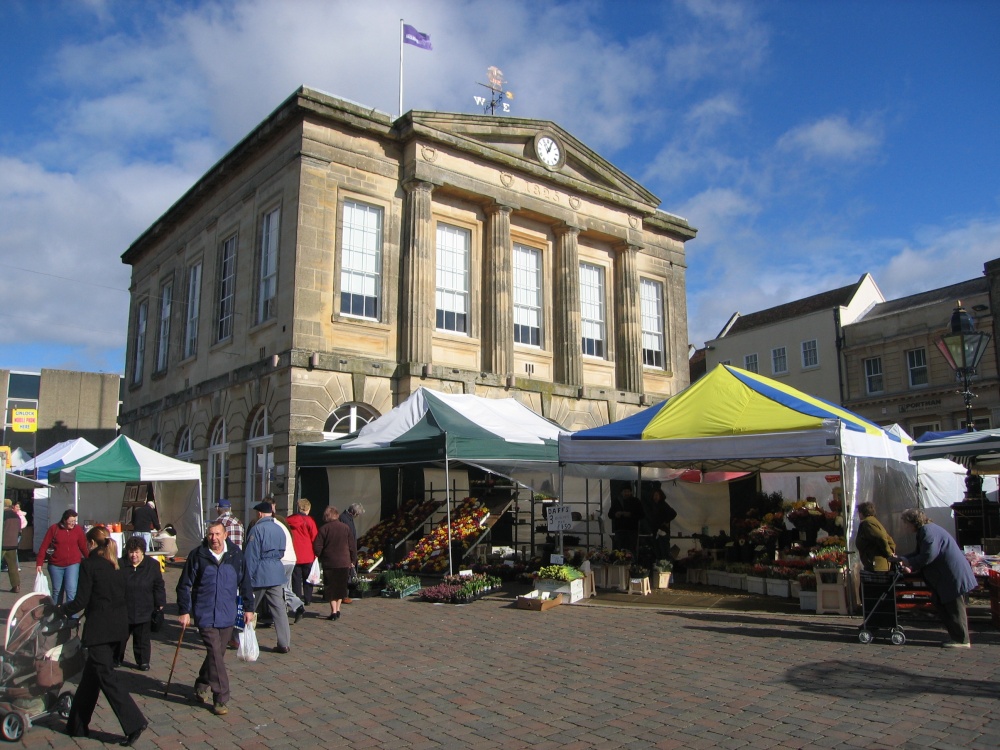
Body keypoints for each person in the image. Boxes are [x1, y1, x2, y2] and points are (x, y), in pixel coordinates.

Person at [62, 527, 147, 746]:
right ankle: (77, 725)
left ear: (91, 543)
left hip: (100, 630)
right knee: (91, 678)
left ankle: (134, 722)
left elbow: (80, 601)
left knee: (106, 677)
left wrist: (61, 609)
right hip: (117, 628)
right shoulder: (115, 564)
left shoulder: (89, 565)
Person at [176, 521, 254, 716]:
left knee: (216, 654)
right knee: (214, 652)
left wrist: (248, 607)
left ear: (225, 535)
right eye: (211, 534)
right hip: (205, 612)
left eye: (217, 534)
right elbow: (184, 585)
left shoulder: (235, 554)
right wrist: (184, 610)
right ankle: (221, 697)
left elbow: (245, 582)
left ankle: (201, 684)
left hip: (227, 613)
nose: (214, 538)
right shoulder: (198, 555)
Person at [893, 508, 978, 648]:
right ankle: (957, 637)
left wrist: (910, 564)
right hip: (946, 575)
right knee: (944, 604)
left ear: (912, 522)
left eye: (905, 523)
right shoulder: (925, 531)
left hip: (951, 575)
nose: (905, 526)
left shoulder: (928, 531)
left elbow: (929, 555)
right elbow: (919, 552)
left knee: (954, 606)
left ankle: (962, 639)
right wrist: (902, 558)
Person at [243, 501, 291, 653]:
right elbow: (283, 551)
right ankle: (284, 643)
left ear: (259, 513)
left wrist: (245, 578)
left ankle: (237, 637)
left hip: (260, 572)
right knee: (279, 609)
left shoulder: (257, 529)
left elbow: (251, 556)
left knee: (248, 606)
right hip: (276, 571)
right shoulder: (280, 529)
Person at [117, 537, 166, 671]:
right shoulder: (120, 565)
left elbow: (158, 585)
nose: (134, 555)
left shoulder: (152, 566)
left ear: (143, 552)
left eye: (137, 552)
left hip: (144, 608)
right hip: (124, 608)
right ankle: (117, 658)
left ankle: (143, 661)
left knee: (142, 638)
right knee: (120, 637)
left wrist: (160, 603)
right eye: (131, 552)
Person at [36, 509, 90, 605]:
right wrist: (39, 563)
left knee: (71, 590)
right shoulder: (54, 529)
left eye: (74, 521)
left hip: (73, 564)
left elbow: (83, 547)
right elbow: (44, 546)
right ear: (64, 520)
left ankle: (72, 616)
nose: (73, 523)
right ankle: (57, 614)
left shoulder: (77, 530)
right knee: (57, 591)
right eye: (71, 521)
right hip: (55, 565)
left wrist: (90, 559)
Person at [313, 506, 357, 621]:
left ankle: (333, 611)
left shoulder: (324, 529)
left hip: (330, 562)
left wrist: (322, 556)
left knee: (331, 587)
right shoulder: (345, 528)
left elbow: (317, 546)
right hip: (344, 562)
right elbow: (352, 546)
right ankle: (338, 610)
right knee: (341, 587)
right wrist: (353, 560)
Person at [287, 498, 319, 606]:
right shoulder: (310, 521)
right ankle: (308, 598)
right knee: (308, 578)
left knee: (296, 579)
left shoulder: (289, 520)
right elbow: (314, 537)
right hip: (308, 554)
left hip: (295, 553)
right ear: (308, 508)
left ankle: (297, 598)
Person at [855, 501, 896, 572]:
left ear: (862, 512)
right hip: (878, 565)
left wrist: (889, 553)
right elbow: (889, 539)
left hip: (876, 565)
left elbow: (881, 537)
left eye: (859, 512)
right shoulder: (874, 521)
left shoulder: (867, 523)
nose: (858, 515)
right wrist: (891, 551)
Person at [339, 503, 365, 603]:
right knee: (346, 574)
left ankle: (345, 594)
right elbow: (349, 538)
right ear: (354, 512)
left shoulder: (346, 518)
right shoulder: (345, 520)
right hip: (347, 551)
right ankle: (344, 595)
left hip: (348, 550)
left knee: (347, 574)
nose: (358, 516)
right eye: (358, 514)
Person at [644, 487, 678, 561]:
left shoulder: (663, 504)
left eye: (657, 495)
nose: (655, 497)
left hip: (663, 531)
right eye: (654, 495)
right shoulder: (652, 505)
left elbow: (673, 513)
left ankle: (666, 567)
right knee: (657, 551)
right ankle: (659, 566)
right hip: (655, 531)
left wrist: (666, 521)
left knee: (664, 550)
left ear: (660, 496)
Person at [608, 485, 643, 552]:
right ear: (621, 492)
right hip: (620, 530)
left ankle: (632, 561)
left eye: (628, 491)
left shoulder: (636, 501)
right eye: (625, 491)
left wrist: (630, 515)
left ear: (631, 492)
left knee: (631, 550)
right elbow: (610, 514)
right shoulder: (617, 501)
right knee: (620, 551)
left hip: (632, 531)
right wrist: (615, 514)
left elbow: (641, 515)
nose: (626, 493)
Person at [3, 500, 22, 593]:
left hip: (2, 544)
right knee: (13, 566)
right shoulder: (16, 516)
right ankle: (16, 586)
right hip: (13, 544)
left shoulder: (2, 515)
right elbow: (19, 530)